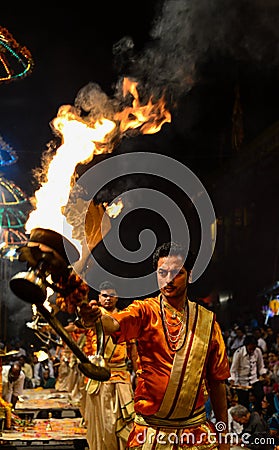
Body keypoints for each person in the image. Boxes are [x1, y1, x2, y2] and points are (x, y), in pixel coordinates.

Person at [80, 242, 230, 450]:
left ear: (190, 275)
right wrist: (95, 319)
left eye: (176, 273)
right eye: (162, 272)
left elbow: (218, 383)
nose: (168, 279)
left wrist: (223, 435)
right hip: (151, 436)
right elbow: (114, 323)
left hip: (195, 435)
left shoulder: (207, 322)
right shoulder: (144, 311)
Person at [84, 281, 137, 450]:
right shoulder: (95, 315)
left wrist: (140, 376)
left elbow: (133, 350)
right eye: (104, 295)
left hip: (121, 379)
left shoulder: (125, 318)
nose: (107, 298)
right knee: (103, 427)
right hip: (100, 380)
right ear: (99, 297)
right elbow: (83, 322)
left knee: (126, 426)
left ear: (117, 297)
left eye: (111, 295)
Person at [229, 334, 267, 413]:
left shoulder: (258, 351)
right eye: (250, 348)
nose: (252, 350)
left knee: (260, 395)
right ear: (246, 346)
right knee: (243, 404)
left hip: (254, 380)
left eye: (253, 348)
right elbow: (233, 370)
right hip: (242, 382)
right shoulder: (238, 353)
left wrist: (263, 374)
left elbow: (261, 366)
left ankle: (258, 413)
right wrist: (232, 380)